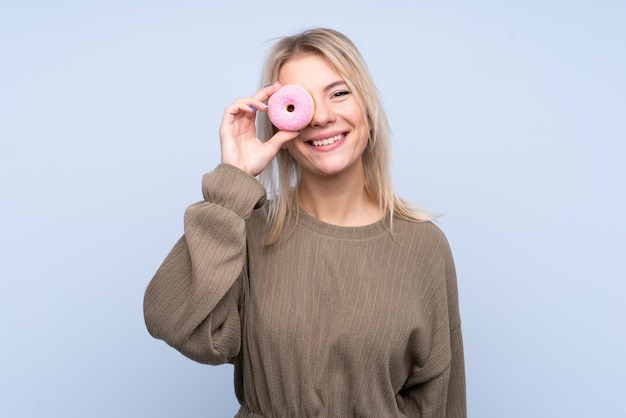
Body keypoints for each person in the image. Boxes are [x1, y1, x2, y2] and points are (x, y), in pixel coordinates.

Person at [144, 28, 466, 417]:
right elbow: (178, 325)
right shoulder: (244, 229)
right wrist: (234, 183)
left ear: (367, 107)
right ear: (280, 121)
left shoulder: (423, 245)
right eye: (301, 103)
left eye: (339, 92)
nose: (323, 116)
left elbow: (440, 399)